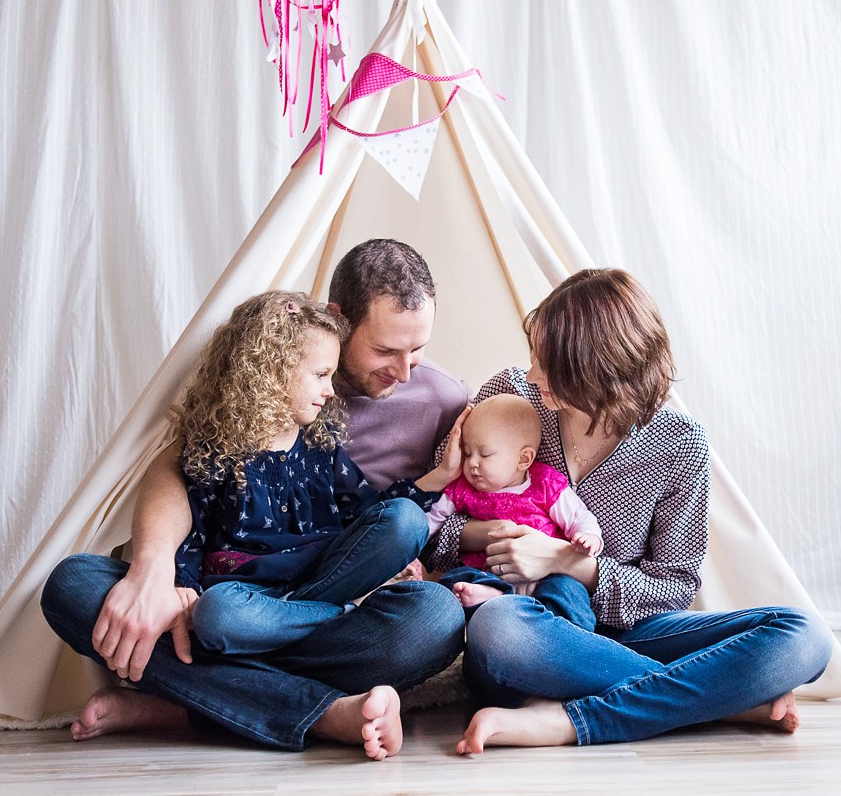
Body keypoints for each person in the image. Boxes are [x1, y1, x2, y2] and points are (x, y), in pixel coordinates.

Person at [41, 239, 470, 761]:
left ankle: (194, 704)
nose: (405, 372)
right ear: (337, 324)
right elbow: (179, 482)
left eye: (417, 351)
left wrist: (429, 502)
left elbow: (387, 517)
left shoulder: (431, 404)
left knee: (436, 617)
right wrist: (168, 580)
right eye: (385, 351)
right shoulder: (247, 410)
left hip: (323, 599)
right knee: (73, 586)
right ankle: (323, 714)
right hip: (238, 602)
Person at [420, 268, 834, 754]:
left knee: (804, 637)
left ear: (601, 368)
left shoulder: (678, 444)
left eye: (550, 363)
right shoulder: (510, 396)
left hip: (628, 636)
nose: (532, 374)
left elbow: (674, 589)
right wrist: (497, 537)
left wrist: (569, 562)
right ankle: (719, 700)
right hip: (533, 631)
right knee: (499, 629)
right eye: (535, 356)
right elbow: (432, 528)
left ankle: (570, 720)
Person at [166, 291, 426, 657]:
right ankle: (341, 615)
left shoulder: (321, 446)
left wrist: (435, 483)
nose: (329, 389)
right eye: (320, 375)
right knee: (216, 614)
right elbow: (190, 531)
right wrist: (183, 584)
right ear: (270, 370)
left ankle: (288, 626)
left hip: (326, 575)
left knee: (407, 520)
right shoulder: (219, 450)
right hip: (249, 595)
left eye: (331, 376)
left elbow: (370, 515)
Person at [426, 394, 603, 626]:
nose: (472, 463)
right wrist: (411, 548)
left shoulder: (545, 484)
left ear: (524, 458)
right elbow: (431, 518)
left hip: (546, 577)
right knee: (455, 581)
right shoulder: (462, 488)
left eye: (485, 454)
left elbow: (578, 516)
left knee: (568, 591)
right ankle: (498, 596)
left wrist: (589, 537)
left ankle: (572, 637)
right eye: (467, 453)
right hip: (489, 572)